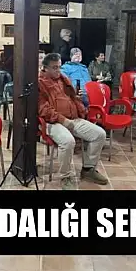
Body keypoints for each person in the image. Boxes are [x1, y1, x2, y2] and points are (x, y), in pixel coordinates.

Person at [39, 53, 108, 190]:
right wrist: (63, 120)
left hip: (73, 118)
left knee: (100, 134)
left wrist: (80, 107)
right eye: (54, 68)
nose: (58, 70)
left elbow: (73, 98)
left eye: (59, 67)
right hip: (53, 122)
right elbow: (43, 109)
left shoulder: (63, 79)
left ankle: (88, 169)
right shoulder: (40, 83)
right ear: (45, 68)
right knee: (68, 141)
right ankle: (65, 176)